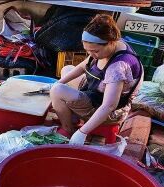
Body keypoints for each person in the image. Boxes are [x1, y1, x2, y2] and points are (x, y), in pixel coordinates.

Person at [45, 14, 143, 145]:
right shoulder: (112, 44)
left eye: (95, 51)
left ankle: (68, 129)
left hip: (109, 112)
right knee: (66, 70)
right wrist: (57, 82)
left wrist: (82, 132)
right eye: (88, 50)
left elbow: (109, 106)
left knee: (58, 91)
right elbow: (83, 66)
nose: (91, 55)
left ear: (111, 42)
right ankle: (72, 117)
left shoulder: (118, 66)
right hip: (95, 92)